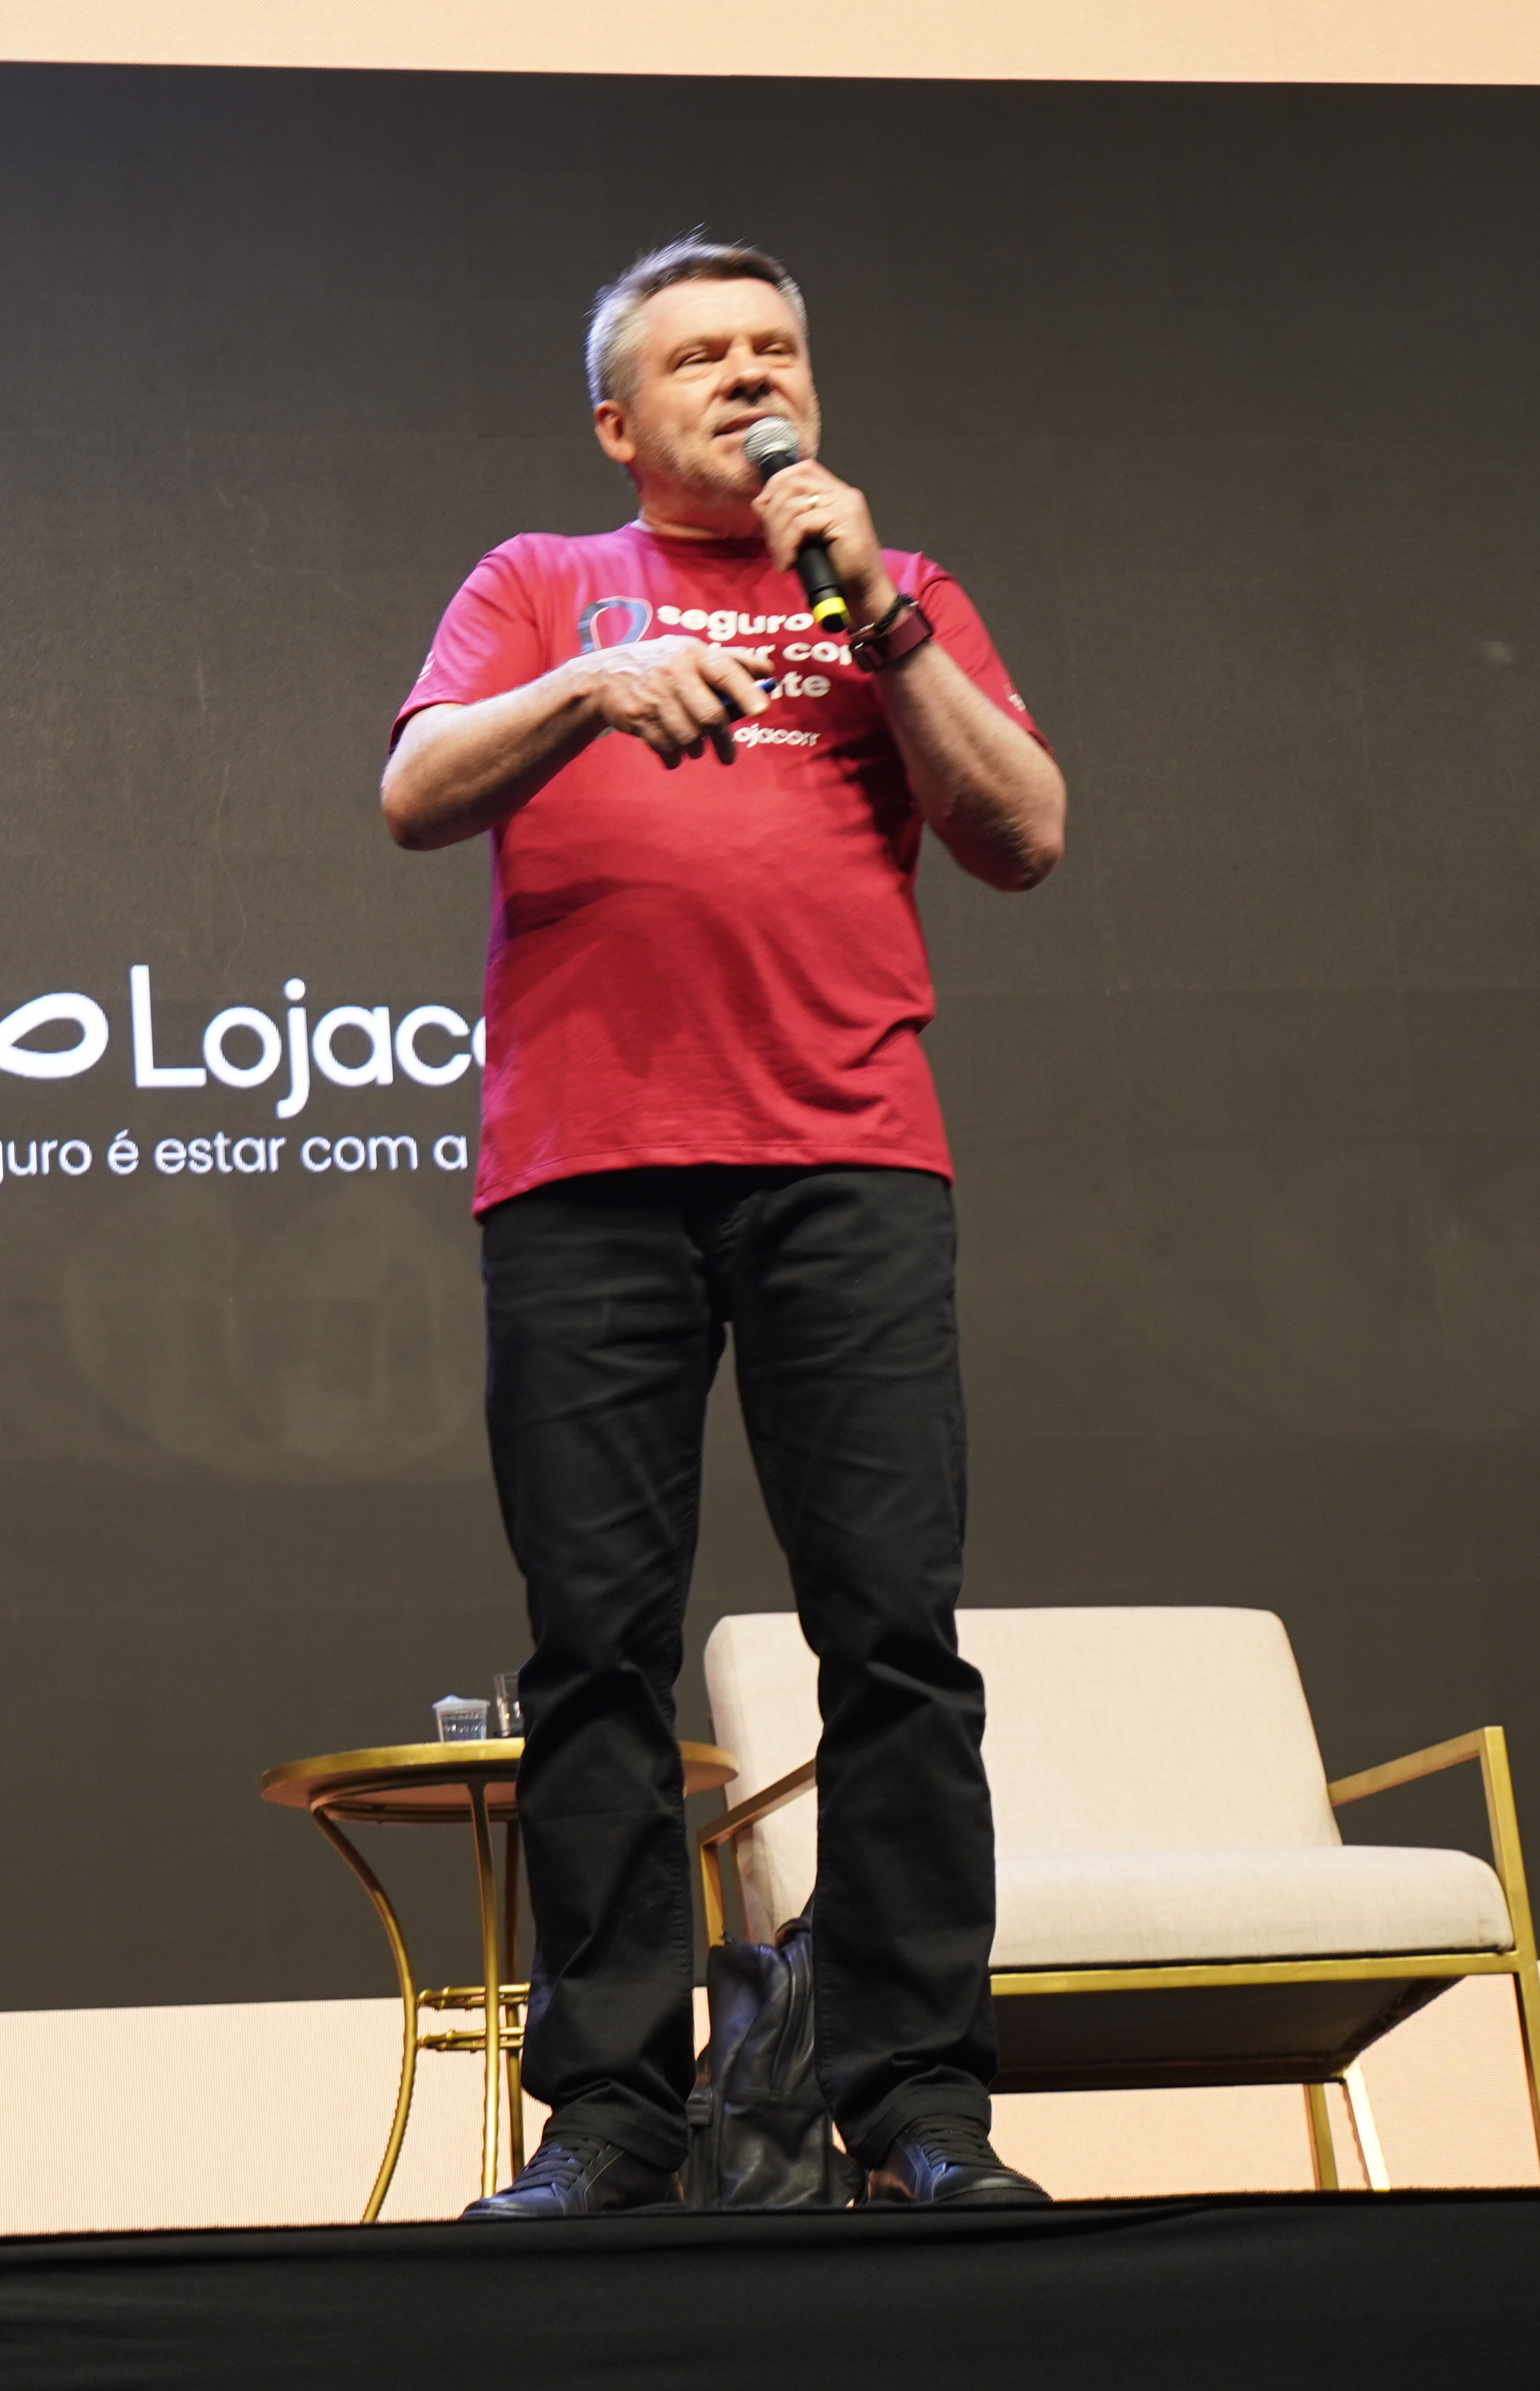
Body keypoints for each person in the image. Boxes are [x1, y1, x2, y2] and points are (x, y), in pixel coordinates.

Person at [383, 238, 1068, 2216]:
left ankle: (919, 2109)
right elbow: (415, 789)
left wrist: (885, 618)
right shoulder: (539, 582)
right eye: (703, 356)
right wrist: (587, 686)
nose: (751, 377)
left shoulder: (895, 589)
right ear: (620, 420)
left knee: (896, 1644)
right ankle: (614, 2118)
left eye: (777, 348)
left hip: (847, 1160)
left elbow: (1023, 834)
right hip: (585, 1174)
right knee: (596, 1654)